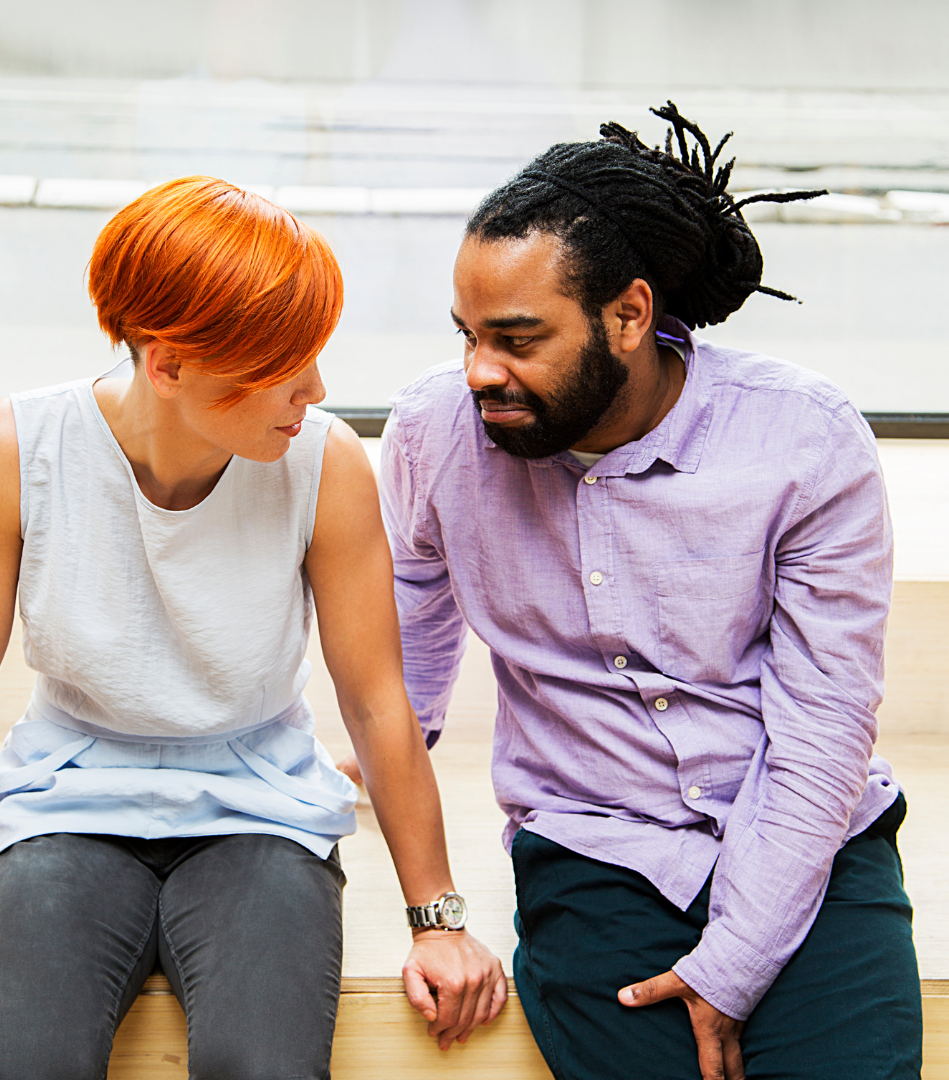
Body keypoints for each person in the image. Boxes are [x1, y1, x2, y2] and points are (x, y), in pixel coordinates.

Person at [0, 176, 506, 1079]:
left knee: (264, 1068)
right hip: (65, 801)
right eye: (281, 365)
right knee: (22, 1064)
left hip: (258, 806)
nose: (316, 388)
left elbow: (376, 701)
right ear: (168, 365)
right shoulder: (15, 448)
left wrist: (436, 918)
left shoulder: (324, 461)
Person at [368, 104, 923, 1080]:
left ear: (629, 315)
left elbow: (822, 733)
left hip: (806, 833)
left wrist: (736, 962)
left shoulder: (805, 441)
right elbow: (397, 679)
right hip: (594, 846)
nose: (478, 373)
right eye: (466, 335)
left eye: (517, 339)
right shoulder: (432, 436)